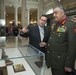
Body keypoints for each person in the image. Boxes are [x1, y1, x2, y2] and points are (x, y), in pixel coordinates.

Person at [46, 6, 76, 75]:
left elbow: (72, 47)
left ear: (62, 13)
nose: (54, 15)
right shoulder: (56, 26)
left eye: (56, 13)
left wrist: (69, 64)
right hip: (54, 62)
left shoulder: (70, 25)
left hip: (62, 64)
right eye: (53, 13)